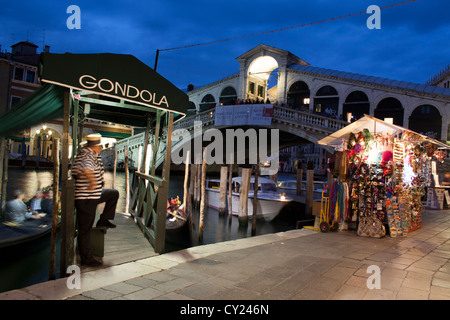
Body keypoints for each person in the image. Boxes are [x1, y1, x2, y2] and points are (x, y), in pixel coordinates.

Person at [72, 133, 119, 267]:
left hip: (94, 194)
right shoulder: (87, 155)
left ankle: (104, 219)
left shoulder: (91, 154)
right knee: (85, 229)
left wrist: (99, 181)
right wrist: (93, 181)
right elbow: (87, 169)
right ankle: (86, 259)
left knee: (113, 194)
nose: (101, 148)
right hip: (86, 197)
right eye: (100, 146)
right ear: (96, 146)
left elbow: (83, 170)